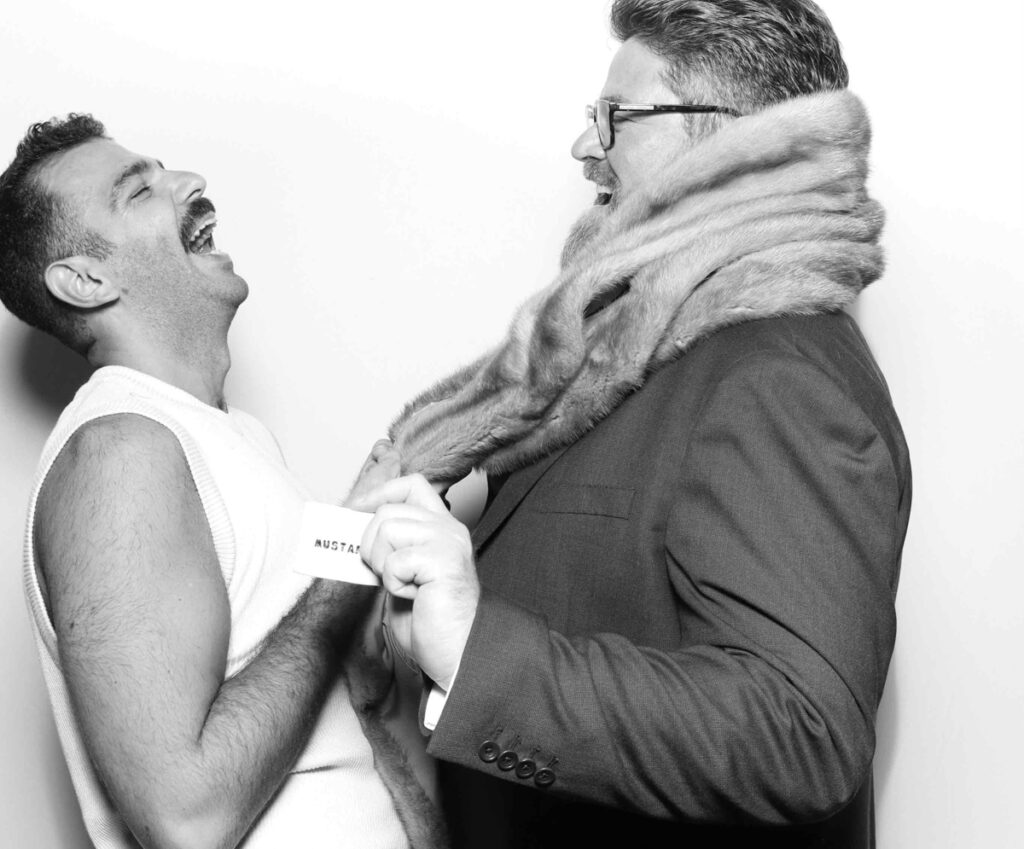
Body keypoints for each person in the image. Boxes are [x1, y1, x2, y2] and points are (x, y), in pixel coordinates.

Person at [355, 1, 911, 847]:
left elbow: (804, 732)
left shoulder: (777, 374)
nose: (585, 147)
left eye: (615, 118)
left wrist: (474, 647)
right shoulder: (625, 357)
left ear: (729, 143)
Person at [0, 116, 444, 849]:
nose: (189, 183)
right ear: (85, 280)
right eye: (138, 190)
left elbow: (337, 714)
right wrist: (339, 585)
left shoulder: (226, 438)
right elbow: (186, 818)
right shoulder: (119, 449)